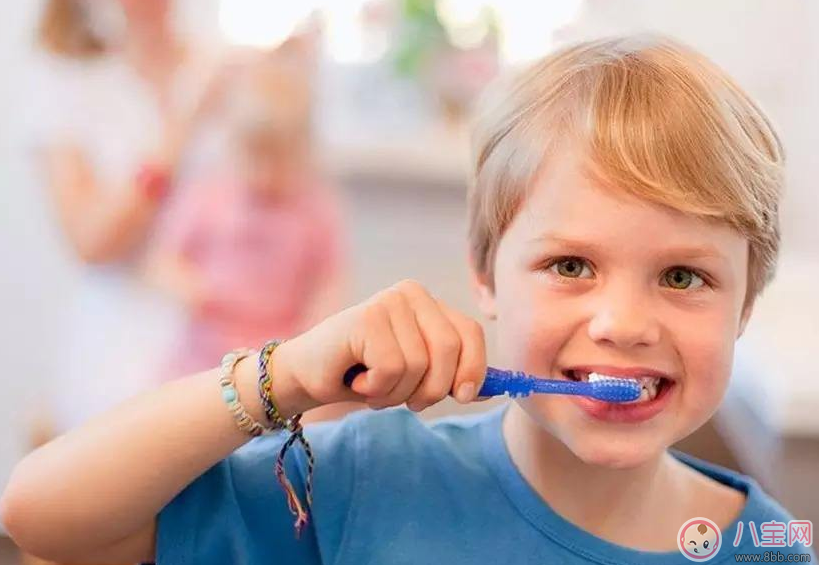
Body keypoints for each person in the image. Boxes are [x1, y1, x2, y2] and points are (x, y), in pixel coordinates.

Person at [3, 35, 814, 564]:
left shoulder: (771, 548)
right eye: (570, 265)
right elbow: (41, 517)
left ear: (745, 304)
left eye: (682, 277)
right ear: (486, 275)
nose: (623, 324)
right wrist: (281, 377)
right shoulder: (364, 479)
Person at [25, 0, 216, 435]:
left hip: (227, 341)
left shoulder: (218, 61)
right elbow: (92, 241)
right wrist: (179, 134)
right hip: (117, 362)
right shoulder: (67, 80)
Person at [149, 54, 363, 423]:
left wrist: (316, 329)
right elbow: (163, 261)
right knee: (170, 421)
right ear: (232, 144)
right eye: (254, 157)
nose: (264, 174)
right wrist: (186, 286)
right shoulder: (209, 195)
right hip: (204, 360)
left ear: (303, 150)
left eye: (278, 160)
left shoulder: (315, 208)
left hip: (278, 358)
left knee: (326, 417)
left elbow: (329, 279)